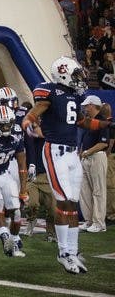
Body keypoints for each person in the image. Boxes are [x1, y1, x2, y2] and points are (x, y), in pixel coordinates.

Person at [22, 56, 114, 274]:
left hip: (72, 154)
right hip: (55, 152)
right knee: (63, 202)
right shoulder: (50, 92)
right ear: (63, 73)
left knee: (72, 204)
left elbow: (82, 121)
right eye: (76, 75)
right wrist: (28, 120)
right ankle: (63, 252)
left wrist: (106, 123)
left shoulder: (73, 95)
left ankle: (72, 251)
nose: (80, 78)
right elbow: (35, 111)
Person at [0, 106, 28, 257]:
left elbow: (22, 164)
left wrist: (23, 189)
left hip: (5, 174)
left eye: (9, 123)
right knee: (0, 203)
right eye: (3, 124)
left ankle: (14, 240)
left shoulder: (16, 133)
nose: (6, 127)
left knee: (16, 212)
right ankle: (4, 236)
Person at [79, 95, 109, 233]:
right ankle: (89, 220)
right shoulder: (89, 121)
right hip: (86, 157)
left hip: (97, 157)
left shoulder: (103, 121)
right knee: (85, 191)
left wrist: (87, 152)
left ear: (92, 105)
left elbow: (103, 143)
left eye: (87, 106)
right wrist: (82, 153)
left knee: (98, 191)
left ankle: (99, 223)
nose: (85, 108)